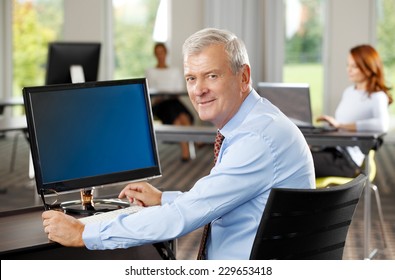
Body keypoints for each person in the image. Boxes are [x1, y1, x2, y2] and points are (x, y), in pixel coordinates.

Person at [42, 28, 315, 260]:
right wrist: (163, 198)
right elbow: (217, 196)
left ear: (243, 77)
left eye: (212, 76)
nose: (198, 90)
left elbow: (181, 218)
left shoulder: (257, 139)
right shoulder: (257, 122)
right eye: (191, 78)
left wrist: (84, 233)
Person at [312, 44, 393, 177]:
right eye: (348, 65)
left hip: (348, 160)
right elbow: (342, 124)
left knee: (300, 163)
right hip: (332, 150)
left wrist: (341, 125)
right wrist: (334, 125)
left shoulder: (377, 96)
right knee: (298, 156)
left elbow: (383, 125)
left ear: (368, 69)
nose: (348, 70)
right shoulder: (349, 92)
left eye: (354, 66)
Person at [146, 42, 194, 162]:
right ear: (155, 55)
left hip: (173, 101)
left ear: (165, 53)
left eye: (162, 52)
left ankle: (185, 152)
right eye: (157, 53)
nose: (160, 55)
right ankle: (194, 141)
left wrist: (168, 94)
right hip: (159, 104)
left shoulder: (174, 71)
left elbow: (178, 90)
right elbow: (151, 90)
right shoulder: (150, 71)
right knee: (177, 111)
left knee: (179, 116)